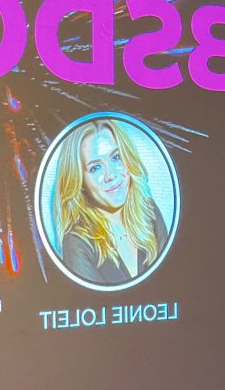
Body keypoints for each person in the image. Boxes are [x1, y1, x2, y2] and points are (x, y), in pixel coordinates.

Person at [53, 117, 168, 286]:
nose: (111, 174)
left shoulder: (149, 211)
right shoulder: (77, 243)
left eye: (116, 157)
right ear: (79, 182)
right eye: (95, 167)